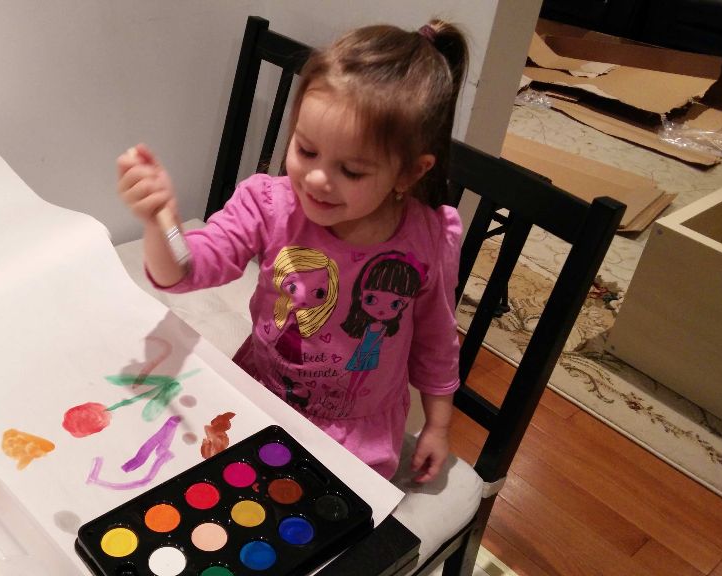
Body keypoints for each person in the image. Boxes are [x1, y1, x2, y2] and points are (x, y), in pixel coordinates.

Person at [116, 20, 468, 482]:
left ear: (408, 173)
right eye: (306, 150)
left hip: (355, 435)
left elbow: (437, 339)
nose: (317, 179)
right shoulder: (270, 204)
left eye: (351, 171)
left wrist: (438, 426)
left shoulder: (428, 236)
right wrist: (162, 225)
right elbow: (186, 269)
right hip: (260, 395)